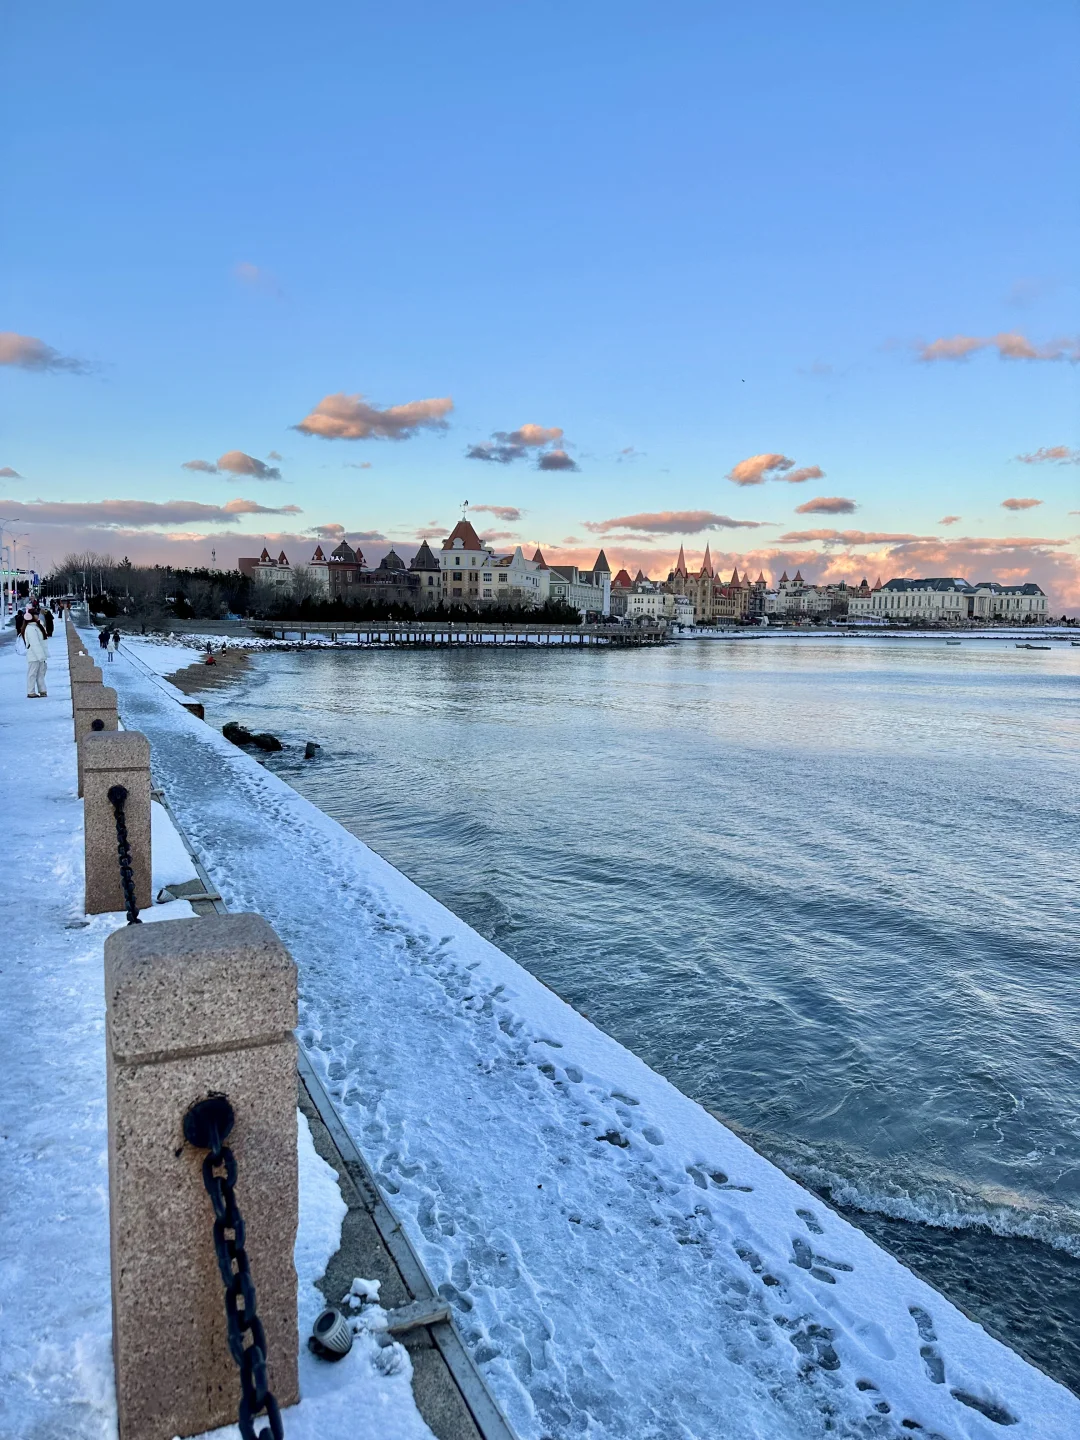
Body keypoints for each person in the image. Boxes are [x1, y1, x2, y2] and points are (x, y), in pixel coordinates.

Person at [21, 606, 49, 697]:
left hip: (40, 654)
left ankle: (42, 690)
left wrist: (42, 655)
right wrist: (41, 656)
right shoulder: (30, 628)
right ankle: (31, 691)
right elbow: (35, 643)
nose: (37, 616)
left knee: (41, 673)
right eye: (35, 614)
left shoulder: (37, 626)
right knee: (32, 674)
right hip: (34, 655)